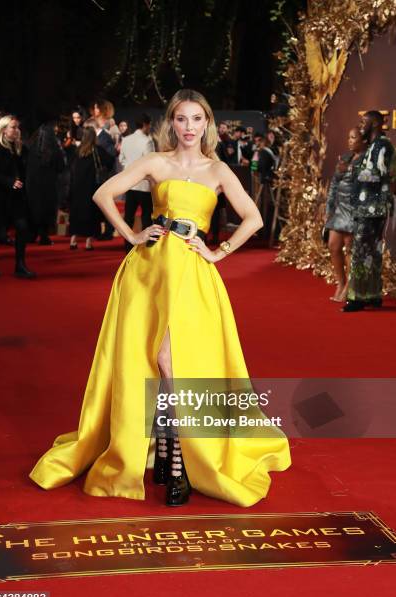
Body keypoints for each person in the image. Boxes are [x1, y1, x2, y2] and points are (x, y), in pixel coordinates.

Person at [29, 89, 291, 508]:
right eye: (182, 119)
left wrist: (218, 252)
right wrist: (132, 235)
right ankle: (166, 456)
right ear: (172, 123)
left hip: (191, 272)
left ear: (207, 124)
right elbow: (103, 194)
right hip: (148, 271)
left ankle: (179, 460)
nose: (189, 127)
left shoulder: (218, 169)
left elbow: (254, 219)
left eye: (197, 119)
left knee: (173, 360)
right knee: (146, 358)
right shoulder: (155, 162)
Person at [343, 110, 395, 312]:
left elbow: (383, 176)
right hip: (367, 207)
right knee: (371, 252)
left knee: (361, 252)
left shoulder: (383, 146)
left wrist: (354, 171)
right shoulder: (373, 146)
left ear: (374, 123)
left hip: (373, 208)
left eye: (364, 121)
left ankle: (357, 297)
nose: (361, 124)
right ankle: (372, 295)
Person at [0, 115, 35, 278]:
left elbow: (24, 170)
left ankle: (20, 265)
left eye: (17, 127)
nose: (16, 130)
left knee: (22, 227)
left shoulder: (19, 148)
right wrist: (9, 181)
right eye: (13, 127)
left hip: (15, 197)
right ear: (3, 130)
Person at [325, 127, 366, 302]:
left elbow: (367, 181)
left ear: (362, 140)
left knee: (350, 249)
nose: (349, 141)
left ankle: (349, 287)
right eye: (348, 137)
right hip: (339, 209)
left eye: (353, 137)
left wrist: (348, 169)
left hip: (354, 209)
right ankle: (340, 283)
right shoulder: (346, 158)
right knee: (333, 246)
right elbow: (334, 184)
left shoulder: (366, 160)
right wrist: (329, 209)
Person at [69, 126, 114, 251]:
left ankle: (73, 240)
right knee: (91, 214)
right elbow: (110, 161)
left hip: (77, 188)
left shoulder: (77, 150)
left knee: (76, 213)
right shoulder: (97, 150)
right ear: (94, 137)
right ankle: (88, 243)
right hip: (91, 187)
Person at [119, 113, 155, 252]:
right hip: (144, 185)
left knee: (129, 216)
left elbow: (121, 159)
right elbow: (150, 162)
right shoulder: (148, 141)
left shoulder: (126, 139)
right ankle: (146, 245)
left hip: (129, 183)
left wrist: (129, 169)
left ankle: (127, 244)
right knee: (146, 216)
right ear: (146, 124)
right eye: (149, 124)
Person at [26, 122, 65, 245]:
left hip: (32, 185)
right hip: (49, 185)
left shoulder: (30, 149)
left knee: (33, 209)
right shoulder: (55, 150)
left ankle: (31, 235)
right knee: (46, 210)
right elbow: (61, 167)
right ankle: (43, 236)